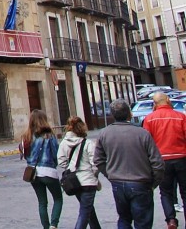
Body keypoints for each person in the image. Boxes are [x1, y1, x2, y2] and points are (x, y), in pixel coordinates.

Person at [96, 98, 164, 229]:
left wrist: (110, 174)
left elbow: (98, 160)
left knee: (124, 218)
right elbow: (157, 163)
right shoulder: (142, 133)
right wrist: (153, 183)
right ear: (130, 114)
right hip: (140, 182)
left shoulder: (104, 133)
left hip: (118, 182)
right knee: (142, 221)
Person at [143, 91, 186, 229]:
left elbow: (146, 143)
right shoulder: (180, 117)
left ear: (154, 104)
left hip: (161, 161)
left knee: (165, 192)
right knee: (185, 191)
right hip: (182, 158)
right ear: (168, 100)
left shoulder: (149, 119)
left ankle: (171, 220)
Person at [58, 116, 102, 229]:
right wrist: (94, 175)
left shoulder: (64, 143)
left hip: (74, 182)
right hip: (88, 181)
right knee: (85, 212)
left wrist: (70, 168)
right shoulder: (88, 143)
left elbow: (61, 161)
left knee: (88, 208)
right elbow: (95, 164)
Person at [24, 109, 63, 229]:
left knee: (42, 202)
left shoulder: (27, 136)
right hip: (48, 171)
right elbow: (56, 153)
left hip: (33, 173)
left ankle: (46, 227)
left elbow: (25, 154)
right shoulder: (49, 136)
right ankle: (53, 224)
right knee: (58, 198)